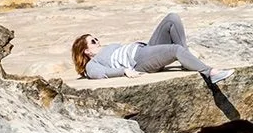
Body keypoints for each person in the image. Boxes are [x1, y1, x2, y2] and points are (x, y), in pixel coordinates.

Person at [71, 13, 232, 85]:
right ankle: (210, 73)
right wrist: (124, 71)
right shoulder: (92, 64)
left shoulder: (105, 49)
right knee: (174, 50)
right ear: (86, 51)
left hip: (144, 49)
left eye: (96, 38)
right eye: (93, 41)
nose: (97, 41)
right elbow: (100, 74)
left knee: (172, 18)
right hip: (139, 61)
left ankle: (187, 60)